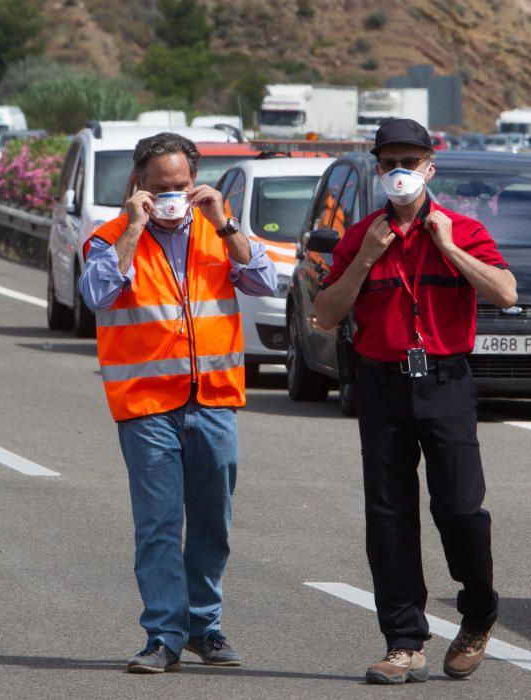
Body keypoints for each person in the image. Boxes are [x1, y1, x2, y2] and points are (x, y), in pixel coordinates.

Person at [314, 119, 517, 685]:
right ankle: (403, 640)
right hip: (381, 383)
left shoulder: (464, 229)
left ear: (431, 165)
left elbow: (504, 292)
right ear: (377, 170)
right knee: (389, 515)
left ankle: (477, 616)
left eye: (410, 161)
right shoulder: (361, 236)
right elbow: (326, 314)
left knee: (459, 508)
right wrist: (364, 260)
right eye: (388, 163)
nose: (399, 172)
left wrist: (449, 248)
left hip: (446, 381)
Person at [79, 132, 277, 673]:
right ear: (139, 184)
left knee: (213, 521)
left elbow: (263, 280)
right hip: (146, 404)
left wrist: (225, 222)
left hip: (212, 400)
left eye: (182, 185)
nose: (173, 195)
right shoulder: (111, 236)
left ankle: (203, 627)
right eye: (161, 186)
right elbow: (96, 294)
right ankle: (164, 633)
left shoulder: (219, 228)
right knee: (160, 524)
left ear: (195, 183)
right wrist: (134, 227)